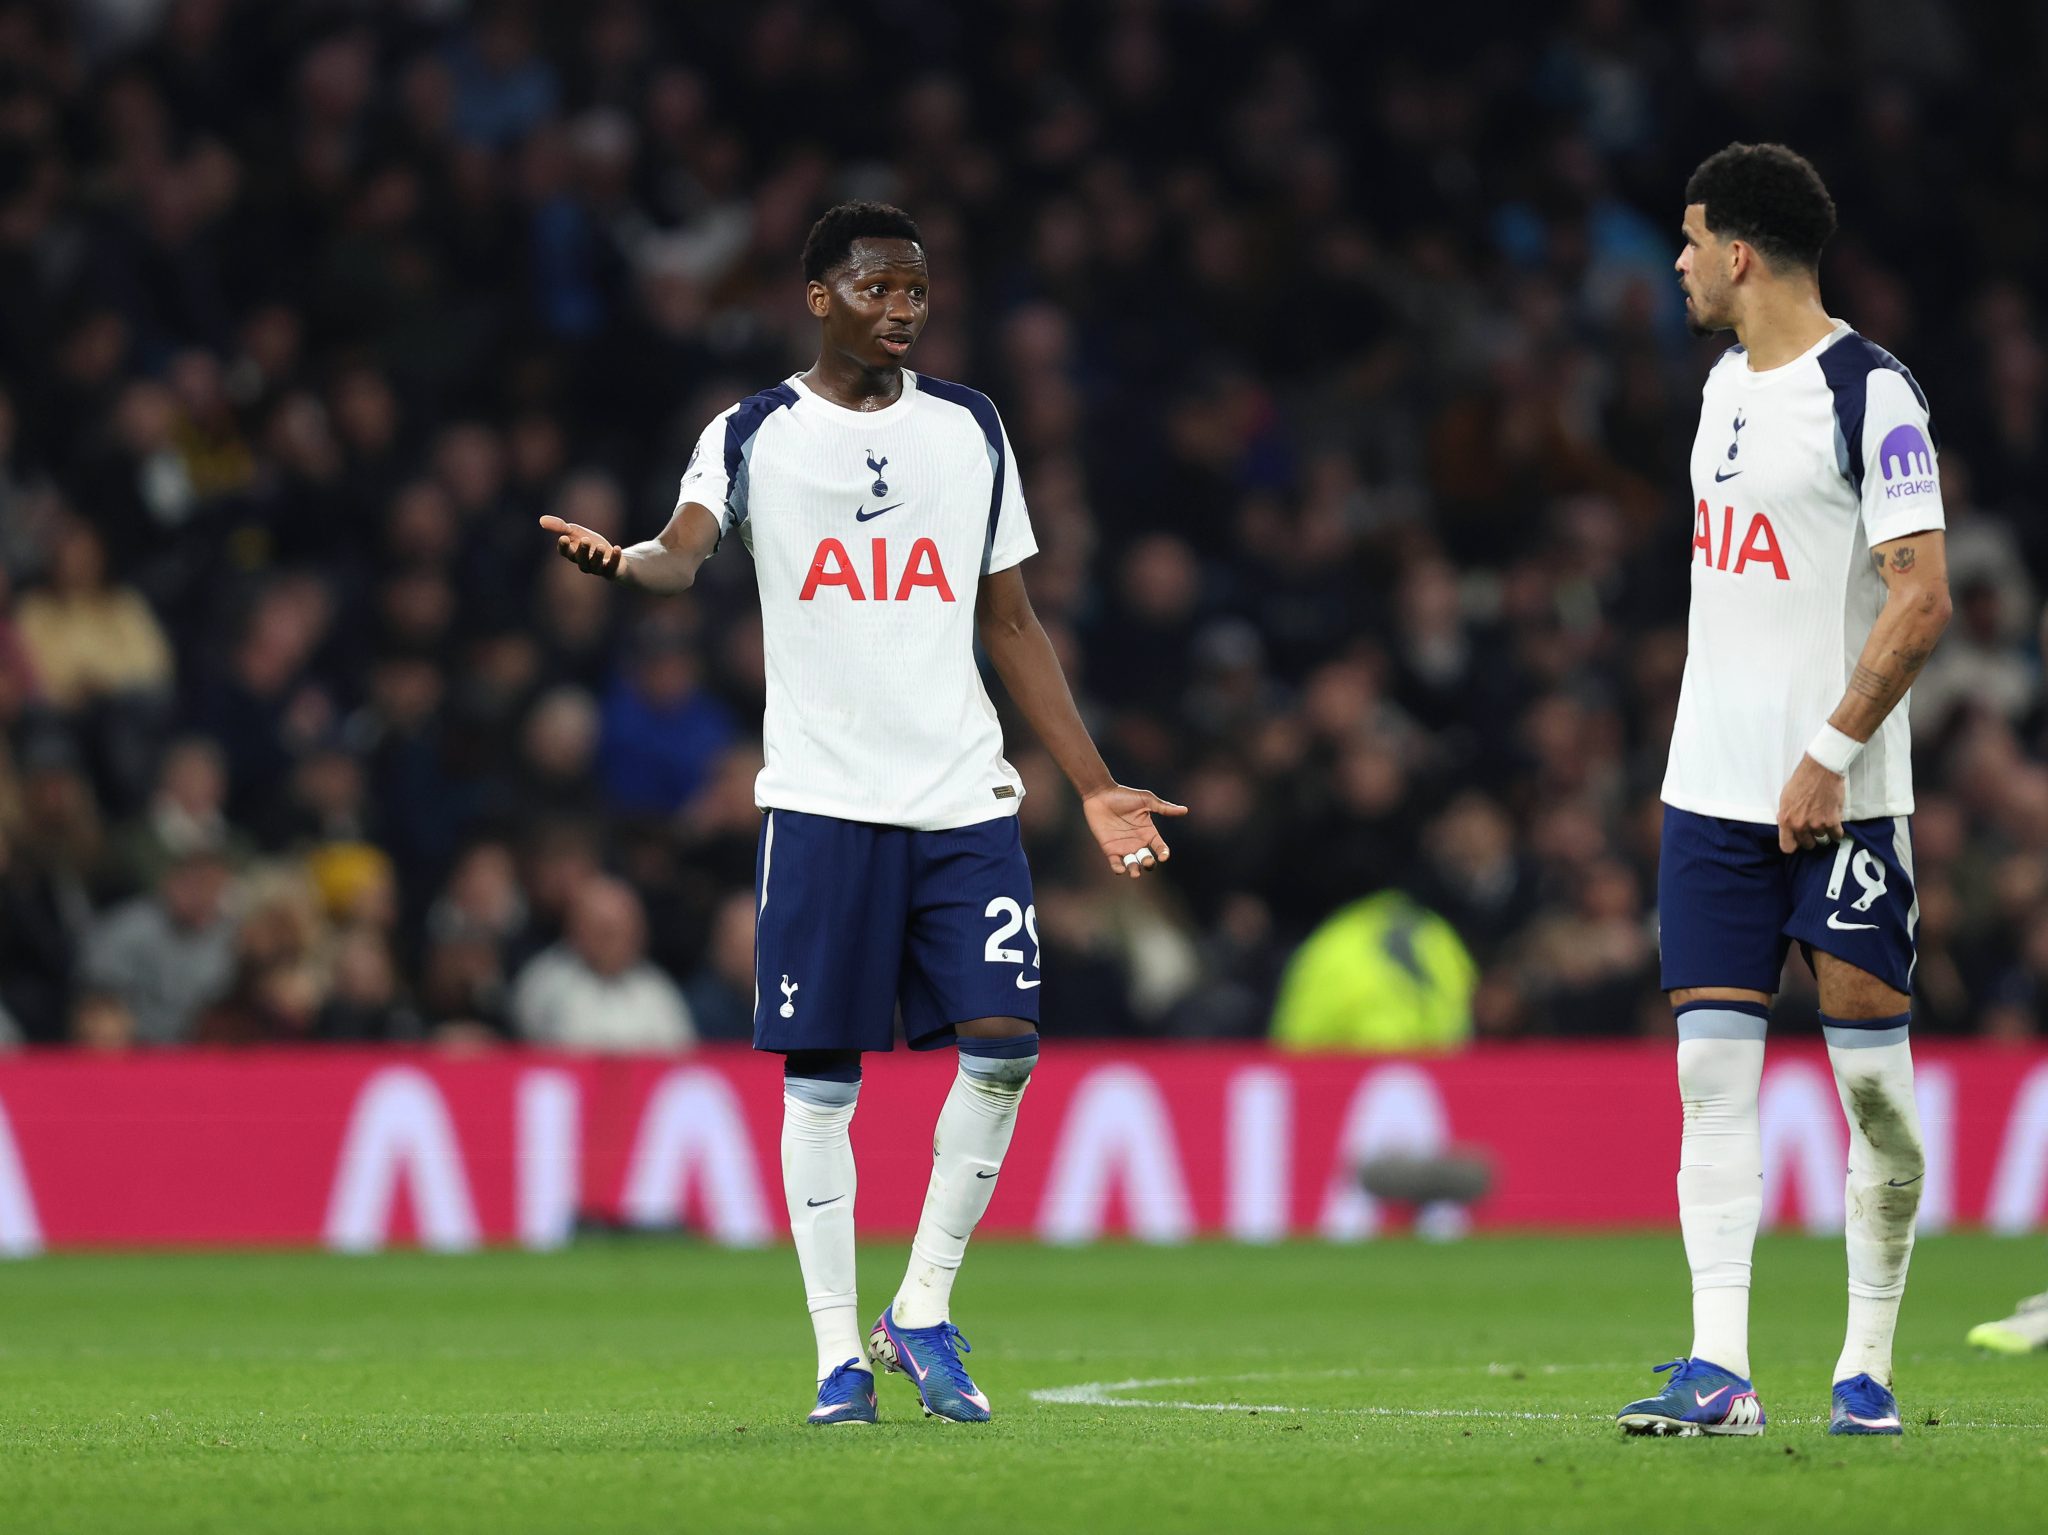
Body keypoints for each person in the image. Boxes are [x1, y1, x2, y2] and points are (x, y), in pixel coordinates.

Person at [539, 202, 1183, 1427]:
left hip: (961, 798)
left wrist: (1093, 780)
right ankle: (838, 1353)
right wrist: (628, 563)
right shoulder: (754, 431)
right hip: (824, 804)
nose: (901, 308)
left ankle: (922, 1309)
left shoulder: (971, 426)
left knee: (1003, 1044)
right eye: (877, 287)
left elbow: (1008, 618)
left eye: (916, 290)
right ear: (817, 296)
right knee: (821, 1083)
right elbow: (687, 548)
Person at [1615, 145, 1950, 1439]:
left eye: (1692, 241)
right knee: (1712, 1075)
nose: (1682, 262)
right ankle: (1720, 1366)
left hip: (1846, 796)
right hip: (1709, 789)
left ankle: (1865, 1365)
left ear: (1742, 252)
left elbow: (1922, 599)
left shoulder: (1874, 393)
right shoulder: (1716, 389)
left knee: (1871, 1085)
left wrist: (1826, 749)